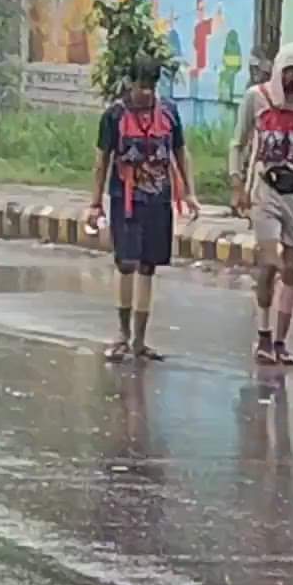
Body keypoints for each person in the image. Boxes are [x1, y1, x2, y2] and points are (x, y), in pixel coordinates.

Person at [89, 56, 201, 362]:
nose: (147, 93)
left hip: (159, 199)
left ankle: (140, 339)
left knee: (148, 267)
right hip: (125, 200)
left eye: (151, 87)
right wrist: (95, 203)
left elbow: (181, 152)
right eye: (141, 87)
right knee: (126, 263)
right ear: (130, 84)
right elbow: (102, 162)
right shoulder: (113, 116)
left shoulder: (169, 113)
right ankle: (122, 335)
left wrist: (189, 193)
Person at [230, 43, 293, 366]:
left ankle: (280, 342)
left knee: (290, 268)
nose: (291, 84)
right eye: (287, 77)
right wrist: (236, 184)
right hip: (266, 188)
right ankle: (262, 334)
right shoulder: (257, 98)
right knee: (270, 262)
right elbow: (238, 141)